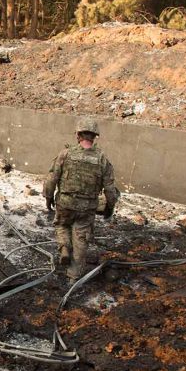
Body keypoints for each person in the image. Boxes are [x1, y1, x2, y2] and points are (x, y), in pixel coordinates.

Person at [43, 118, 119, 281]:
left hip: (65, 203)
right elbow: (110, 188)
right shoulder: (102, 159)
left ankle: (64, 247)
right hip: (87, 208)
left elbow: (52, 178)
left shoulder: (65, 154)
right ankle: (74, 276)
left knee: (62, 225)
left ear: (78, 135)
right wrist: (110, 206)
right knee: (81, 238)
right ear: (95, 137)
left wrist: (48, 197)